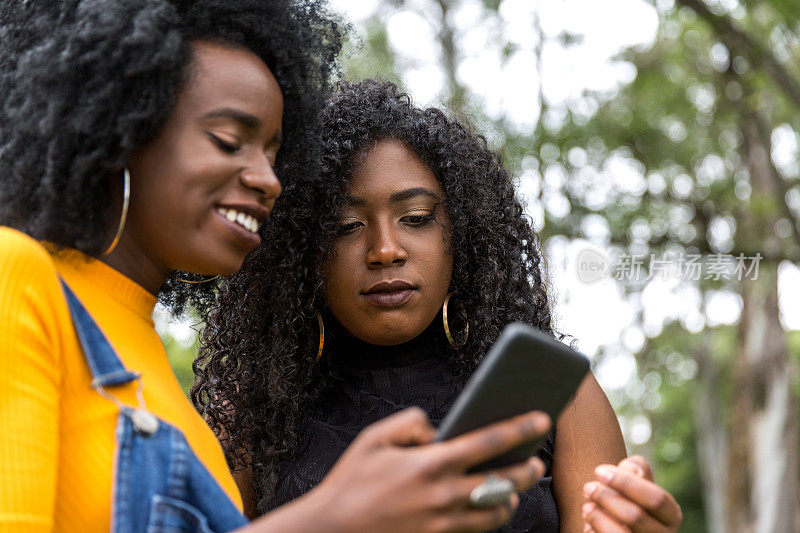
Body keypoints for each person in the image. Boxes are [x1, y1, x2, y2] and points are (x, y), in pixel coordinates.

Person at [0, 3, 553, 532]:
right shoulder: (16, 275)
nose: (267, 179)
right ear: (115, 130)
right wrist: (332, 519)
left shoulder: (185, 414)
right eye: (228, 140)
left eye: (273, 152)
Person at [194, 80, 685, 532]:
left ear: (461, 235)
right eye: (345, 226)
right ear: (303, 253)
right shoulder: (253, 411)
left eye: (416, 217)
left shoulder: (557, 396)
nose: (385, 249)